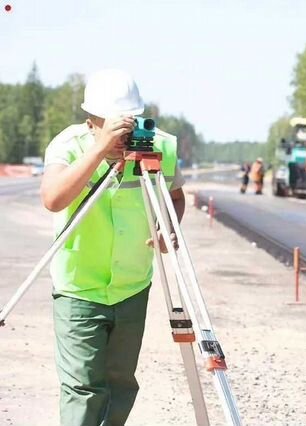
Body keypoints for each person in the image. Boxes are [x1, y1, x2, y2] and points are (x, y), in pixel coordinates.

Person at [40, 69, 186, 426]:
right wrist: (100, 150)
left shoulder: (159, 146)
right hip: (80, 286)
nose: (124, 133)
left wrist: (169, 226)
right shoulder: (69, 145)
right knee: (84, 388)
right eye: (112, 125)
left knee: (121, 384)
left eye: (128, 122)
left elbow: (176, 196)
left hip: (132, 283)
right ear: (92, 120)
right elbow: (53, 198)